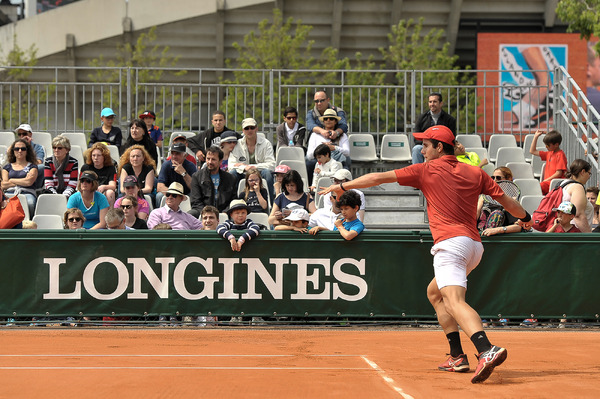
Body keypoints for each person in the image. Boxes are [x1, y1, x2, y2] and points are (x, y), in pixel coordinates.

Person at [320, 125, 531, 384]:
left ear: (440, 147)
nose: (422, 149)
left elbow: (378, 178)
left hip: (451, 245)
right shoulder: (476, 173)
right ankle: (457, 356)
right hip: (473, 246)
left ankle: (486, 349)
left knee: (454, 301)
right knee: (435, 293)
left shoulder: (425, 170)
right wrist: (526, 217)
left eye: (426, 145)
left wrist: (343, 185)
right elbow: (509, 204)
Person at [228, 117, 275, 194]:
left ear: (256, 129)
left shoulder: (266, 143)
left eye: (252, 128)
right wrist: (244, 167)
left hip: (260, 173)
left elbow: (272, 164)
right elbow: (230, 165)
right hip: (243, 173)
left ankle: (270, 202)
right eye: (247, 128)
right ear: (243, 130)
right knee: (233, 173)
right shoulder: (238, 144)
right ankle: (234, 201)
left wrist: (254, 167)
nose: (249, 130)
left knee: (267, 173)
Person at [189, 145, 236, 218]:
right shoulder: (197, 176)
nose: (210, 162)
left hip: (224, 213)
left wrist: (225, 212)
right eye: (208, 159)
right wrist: (206, 213)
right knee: (190, 214)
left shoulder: (230, 178)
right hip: (203, 212)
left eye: (213, 159)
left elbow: (233, 200)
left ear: (220, 161)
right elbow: (195, 201)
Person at [479, 167, 527, 236]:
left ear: (509, 179)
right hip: (481, 237)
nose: (495, 180)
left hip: (500, 240)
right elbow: (475, 216)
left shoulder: (512, 201)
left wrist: (498, 230)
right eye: (493, 177)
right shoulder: (483, 197)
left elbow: (519, 226)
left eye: (498, 178)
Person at [412, 92, 457, 164]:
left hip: (441, 148)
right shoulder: (421, 118)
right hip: (425, 146)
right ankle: (417, 173)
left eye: (435, 102)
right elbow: (417, 138)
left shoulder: (450, 120)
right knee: (416, 149)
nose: (432, 104)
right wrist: (428, 146)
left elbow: (451, 138)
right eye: (430, 102)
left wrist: (436, 147)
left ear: (441, 103)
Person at [306, 109, 350, 177]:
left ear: (335, 121)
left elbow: (347, 152)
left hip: (336, 160)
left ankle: (344, 185)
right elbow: (309, 155)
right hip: (318, 160)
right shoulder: (315, 135)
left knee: (345, 163)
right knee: (309, 164)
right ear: (323, 121)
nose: (328, 120)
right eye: (326, 119)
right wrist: (322, 148)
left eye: (331, 119)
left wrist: (334, 148)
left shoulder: (342, 135)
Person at [1, 139, 38, 216]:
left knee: (30, 203)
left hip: (27, 193)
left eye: (23, 149)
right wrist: (23, 180)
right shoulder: (6, 167)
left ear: (27, 151)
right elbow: (4, 185)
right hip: (10, 192)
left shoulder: (32, 166)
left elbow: (29, 182)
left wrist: (11, 180)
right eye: (17, 149)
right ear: (13, 151)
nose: (20, 151)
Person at [156, 142, 197, 207]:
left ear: (185, 155)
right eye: (172, 153)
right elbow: (160, 187)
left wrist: (184, 173)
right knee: (159, 196)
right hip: (171, 193)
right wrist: (174, 194)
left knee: (194, 196)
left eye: (177, 154)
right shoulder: (166, 165)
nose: (174, 156)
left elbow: (194, 188)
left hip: (186, 193)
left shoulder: (191, 166)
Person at [530, 129, 567, 195]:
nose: (546, 147)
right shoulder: (549, 153)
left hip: (554, 183)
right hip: (547, 183)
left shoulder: (560, 155)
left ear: (556, 145)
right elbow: (532, 151)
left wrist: (546, 180)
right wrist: (536, 137)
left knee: (536, 187)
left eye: (548, 145)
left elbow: (558, 173)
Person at [560, 159, 593, 232]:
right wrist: (589, 238)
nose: (589, 177)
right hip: (575, 236)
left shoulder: (563, 183)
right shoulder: (577, 187)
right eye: (589, 173)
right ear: (583, 172)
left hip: (563, 232)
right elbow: (578, 215)